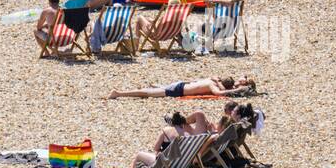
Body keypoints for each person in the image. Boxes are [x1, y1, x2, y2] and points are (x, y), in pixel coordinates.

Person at [106, 76, 257, 101]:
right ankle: (118, 93)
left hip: (181, 85)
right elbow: (220, 94)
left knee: (152, 91)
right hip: (177, 90)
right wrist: (235, 91)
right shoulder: (213, 85)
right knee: (146, 94)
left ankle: (158, 86)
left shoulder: (214, 79)